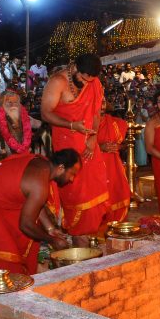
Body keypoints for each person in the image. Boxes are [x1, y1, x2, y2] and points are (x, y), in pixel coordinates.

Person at [0, 149, 79, 275]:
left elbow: (36, 201)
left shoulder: (43, 165)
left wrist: (50, 228)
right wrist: (52, 240)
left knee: (25, 244)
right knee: (6, 258)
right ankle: (10, 290)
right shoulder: (39, 183)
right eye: (72, 173)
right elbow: (25, 225)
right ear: (61, 168)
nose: (72, 179)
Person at [41, 53, 109, 245]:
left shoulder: (94, 82)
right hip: (67, 143)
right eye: (83, 78)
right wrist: (72, 126)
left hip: (89, 144)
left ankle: (87, 235)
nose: (86, 83)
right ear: (74, 67)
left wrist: (93, 137)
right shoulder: (58, 81)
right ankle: (76, 233)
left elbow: (96, 111)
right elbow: (46, 113)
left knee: (93, 188)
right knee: (74, 189)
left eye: (90, 80)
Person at [0, 88, 41, 157]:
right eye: (9, 102)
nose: (12, 105)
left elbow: (41, 125)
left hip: (23, 159)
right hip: (4, 161)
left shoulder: (26, 119)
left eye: (15, 102)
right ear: (3, 104)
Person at [97, 99, 131, 222]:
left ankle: (114, 225)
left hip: (113, 166)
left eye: (103, 102)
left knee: (116, 192)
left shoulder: (116, 123)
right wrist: (100, 147)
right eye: (97, 102)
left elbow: (126, 143)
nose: (101, 106)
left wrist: (119, 147)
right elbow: (77, 146)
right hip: (93, 167)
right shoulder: (84, 122)